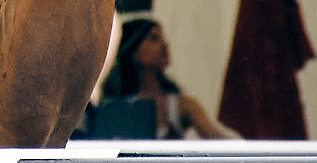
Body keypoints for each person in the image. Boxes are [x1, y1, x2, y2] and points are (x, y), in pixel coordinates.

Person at [100, 18, 238, 141]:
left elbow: (217, 138)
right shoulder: (112, 106)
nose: (165, 45)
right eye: (154, 38)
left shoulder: (182, 106)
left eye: (162, 38)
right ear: (134, 52)